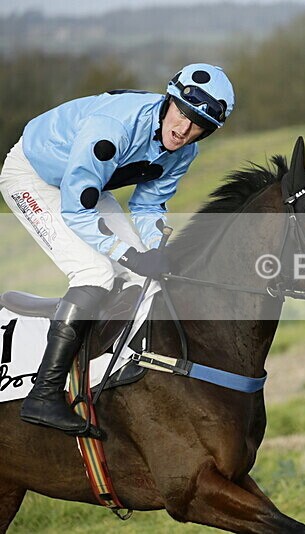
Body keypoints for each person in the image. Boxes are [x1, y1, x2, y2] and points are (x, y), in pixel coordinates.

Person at [0, 63, 235, 437]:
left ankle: (118, 374)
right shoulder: (115, 129)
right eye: (182, 114)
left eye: (198, 126)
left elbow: (147, 206)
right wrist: (129, 254)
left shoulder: (183, 152)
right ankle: (43, 394)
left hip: (85, 183)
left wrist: (156, 249)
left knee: (147, 274)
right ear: (169, 101)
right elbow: (77, 209)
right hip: (34, 176)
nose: (184, 129)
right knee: (95, 272)